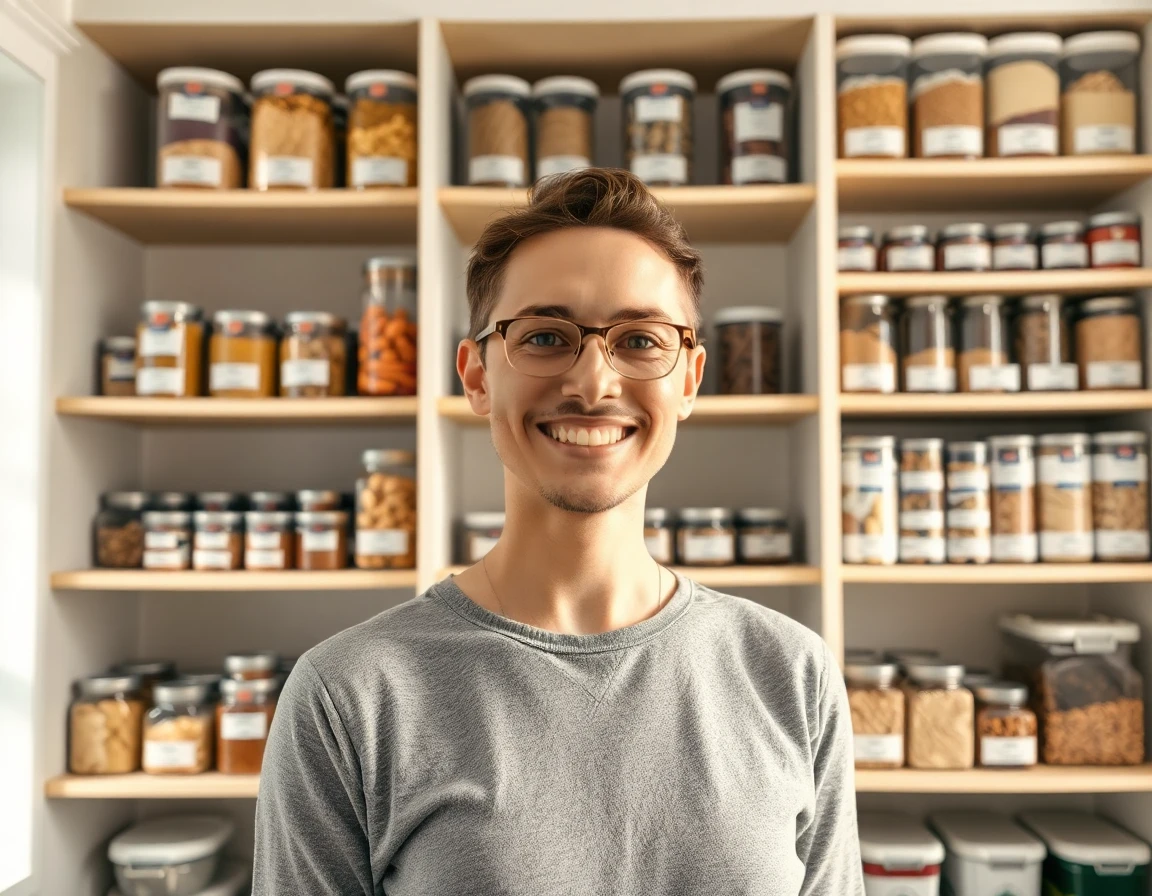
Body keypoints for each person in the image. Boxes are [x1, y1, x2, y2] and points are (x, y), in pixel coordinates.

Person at [252, 168, 864, 895]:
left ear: (690, 380)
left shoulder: (792, 675)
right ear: (477, 375)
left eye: (639, 340)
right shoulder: (348, 695)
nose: (594, 382)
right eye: (545, 335)